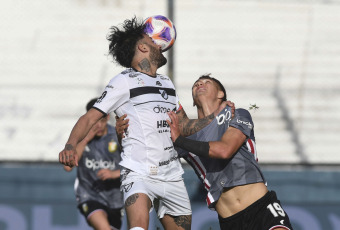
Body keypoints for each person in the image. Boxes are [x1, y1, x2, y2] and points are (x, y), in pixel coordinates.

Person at [59, 16, 232, 230]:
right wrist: (70, 145)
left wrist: (213, 116)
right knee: (138, 227)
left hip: (172, 174)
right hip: (139, 171)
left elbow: (184, 126)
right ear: (142, 46)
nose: (159, 43)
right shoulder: (124, 81)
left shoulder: (166, 83)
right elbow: (90, 117)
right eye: (152, 39)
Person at [165, 75, 293, 230]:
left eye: (207, 82)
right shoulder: (186, 137)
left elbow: (225, 150)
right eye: (196, 84)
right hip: (230, 221)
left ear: (221, 94)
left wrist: (179, 141)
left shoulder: (237, 114)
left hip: (262, 208)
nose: (200, 84)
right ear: (193, 100)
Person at [63, 98, 124, 230]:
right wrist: (85, 140)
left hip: (115, 199)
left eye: (101, 121)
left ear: (107, 118)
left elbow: (134, 166)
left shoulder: (117, 136)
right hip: (89, 195)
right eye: (94, 122)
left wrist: (114, 173)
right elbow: (68, 167)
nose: (98, 126)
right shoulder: (80, 136)